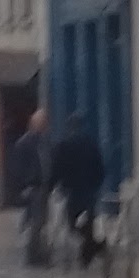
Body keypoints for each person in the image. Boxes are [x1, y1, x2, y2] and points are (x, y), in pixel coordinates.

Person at [51, 109, 106, 268]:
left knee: (72, 223)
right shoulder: (91, 144)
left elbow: (57, 167)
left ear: (70, 127)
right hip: (89, 190)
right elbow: (100, 167)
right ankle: (89, 253)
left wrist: (55, 185)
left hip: (72, 190)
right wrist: (96, 184)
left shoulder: (64, 145)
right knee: (89, 223)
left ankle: (93, 248)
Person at [8, 103, 54, 266]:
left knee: (41, 223)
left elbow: (48, 162)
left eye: (45, 122)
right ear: (34, 123)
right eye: (42, 122)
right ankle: (33, 257)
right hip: (33, 188)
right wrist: (23, 187)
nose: (45, 125)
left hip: (44, 187)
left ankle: (38, 253)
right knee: (36, 222)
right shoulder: (25, 143)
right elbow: (17, 169)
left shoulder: (45, 141)